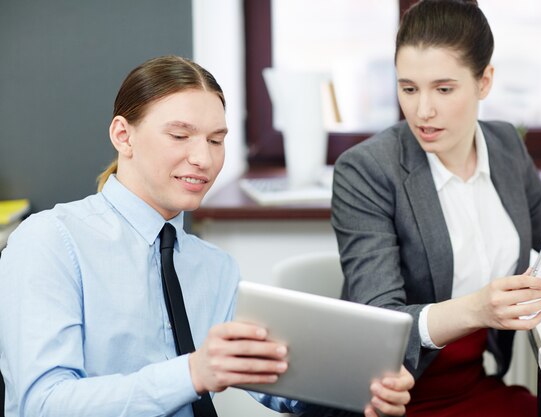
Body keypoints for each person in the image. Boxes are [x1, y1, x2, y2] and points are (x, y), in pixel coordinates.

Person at [0, 55, 413, 417]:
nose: (204, 159)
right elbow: (44, 403)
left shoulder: (213, 266)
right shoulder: (50, 241)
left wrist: (357, 393)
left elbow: (269, 383)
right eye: (180, 136)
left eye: (216, 140)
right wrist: (192, 373)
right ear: (122, 135)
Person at [330, 1, 541, 416]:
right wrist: (479, 308)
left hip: (476, 385)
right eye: (408, 88)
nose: (422, 110)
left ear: (484, 81)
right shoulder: (367, 170)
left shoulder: (504, 147)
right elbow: (382, 325)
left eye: (444, 89)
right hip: (392, 396)